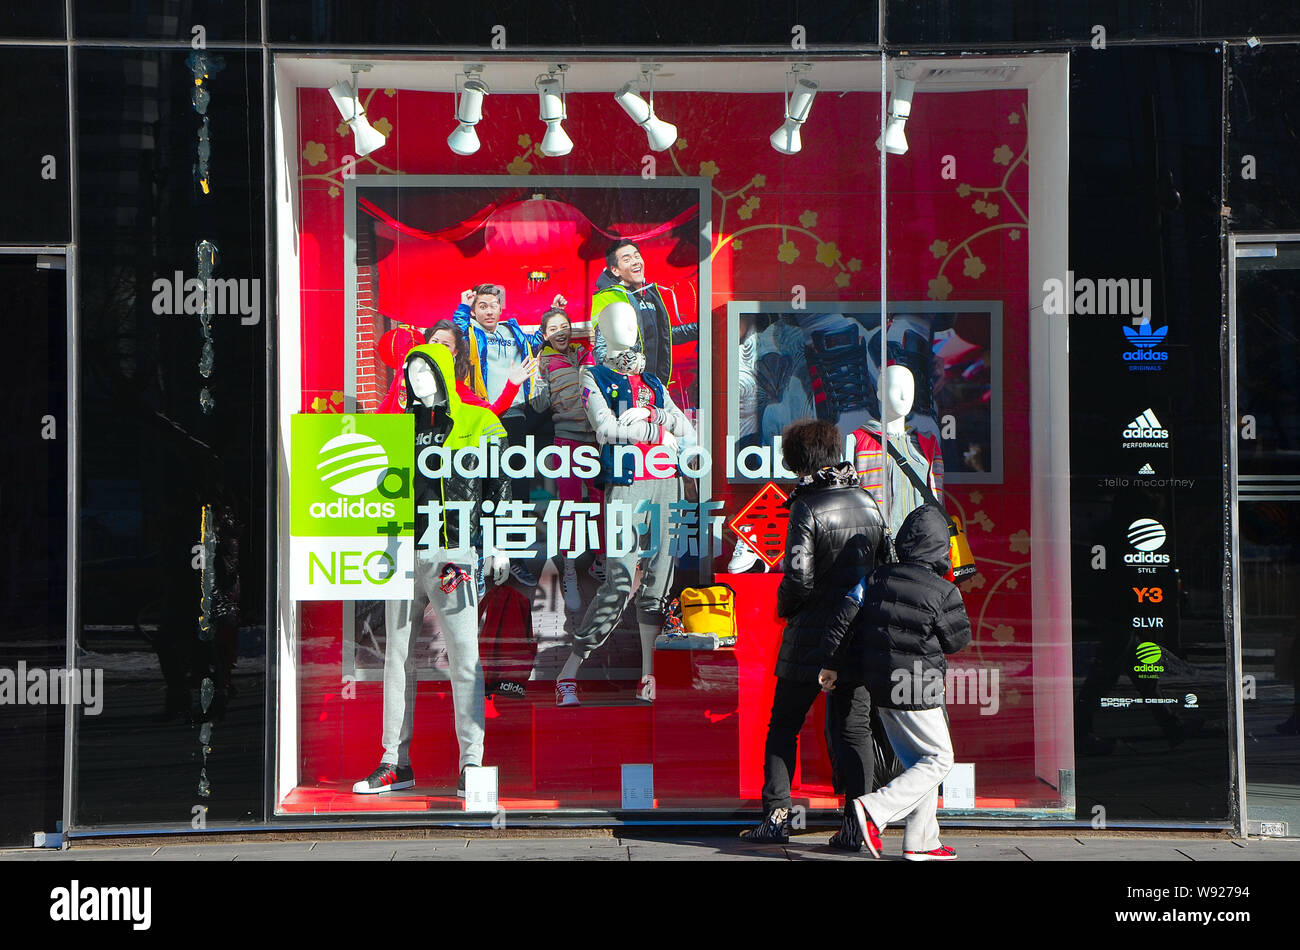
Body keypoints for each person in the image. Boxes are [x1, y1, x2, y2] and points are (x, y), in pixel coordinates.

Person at [351, 343, 512, 798]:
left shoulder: (478, 421)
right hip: (402, 551)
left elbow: (498, 483)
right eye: (409, 370)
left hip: (453, 552)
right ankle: (393, 761)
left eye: (425, 369)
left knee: (465, 657)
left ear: (443, 373)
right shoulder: (396, 428)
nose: (416, 377)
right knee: (396, 658)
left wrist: (496, 544)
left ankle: (472, 762)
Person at [739, 419, 889, 845]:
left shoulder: (806, 504)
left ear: (799, 460)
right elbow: (883, 563)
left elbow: (798, 577)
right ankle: (858, 826)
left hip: (810, 635)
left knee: (785, 723)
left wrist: (784, 609)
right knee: (854, 729)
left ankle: (777, 817)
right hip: (855, 635)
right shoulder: (867, 500)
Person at [554, 299, 689, 707]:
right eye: (617, 323)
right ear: (603, 330)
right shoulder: (591, 374)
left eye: (630, 323)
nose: (626, 330)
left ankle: (648, 675)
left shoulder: (653, 379)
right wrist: (656, 430)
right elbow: (607, 429)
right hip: (626, 486)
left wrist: (655, 422)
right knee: (617, 581)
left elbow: (684, 426)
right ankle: (568, 672)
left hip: (668, 482)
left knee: (659, 583)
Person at [827, 504, 972, 861]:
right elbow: (958, 640)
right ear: (940, 547)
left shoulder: (877, 578)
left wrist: (831, 663)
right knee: (939, 760)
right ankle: (874, 810)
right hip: (918, 686)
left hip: (879, 684)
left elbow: (844, 619)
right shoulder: (941, 590)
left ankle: (921, 842)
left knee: (919, 764)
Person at [529, 308, 603, 613]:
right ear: (545, 334)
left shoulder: (584, 355)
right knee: (570, 506)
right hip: (567, 440)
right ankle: (570, 570)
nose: (560, 331)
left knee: (601, 502)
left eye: (564, 326)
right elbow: (538, 405)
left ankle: (601, 562)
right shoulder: (543, 362)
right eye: (553, 328)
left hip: (596, 440)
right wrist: (539, 382)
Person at [592, 240, 698, 384]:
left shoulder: (650, 294)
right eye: (627, 259)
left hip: (655, 385)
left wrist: (700, 329)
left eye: (637, 256)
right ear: (615, 270)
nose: (635, 262)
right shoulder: (609, 297)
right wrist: (622, 381)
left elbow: (663, 335)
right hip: (629, 388)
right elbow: (601, 349)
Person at [426, 318, 537, 418]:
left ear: (455, 352)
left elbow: (491, 413)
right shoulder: (410, 370)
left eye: (446, 345)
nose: (437, 347)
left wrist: (512, 385)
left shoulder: (455, 388)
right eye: (435, 341)